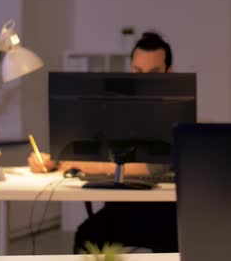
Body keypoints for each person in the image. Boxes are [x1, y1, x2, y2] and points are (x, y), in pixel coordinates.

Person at [27, 31, 178, 253]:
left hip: (161, 211)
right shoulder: (116, 109)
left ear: (169, 72)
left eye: (153, 72)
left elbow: (156, 165)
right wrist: (55, 161)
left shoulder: (177, 113)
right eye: (137, 71)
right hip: (121, 207)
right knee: (86, 236)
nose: (143, 78)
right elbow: (91, 149)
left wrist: (91, 165)